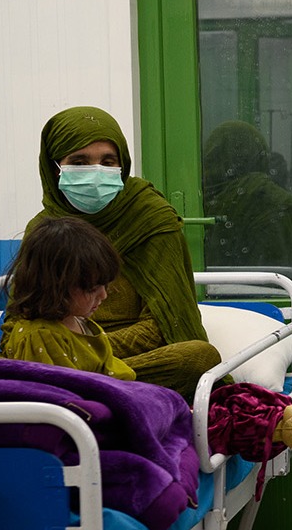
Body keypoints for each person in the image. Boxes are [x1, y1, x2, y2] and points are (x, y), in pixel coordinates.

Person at [28, 106, 221, 392]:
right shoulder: (44, 230)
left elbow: (163, 325)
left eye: (108, 162)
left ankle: (79, 384)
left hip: (127, 360)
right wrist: (53, 348)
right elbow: (21, 319)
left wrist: (85, 350)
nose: (96, 173)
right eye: (79, 162)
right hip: (57, 354)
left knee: (198, 358)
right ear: (54, 168)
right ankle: (86, 384)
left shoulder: (150, 218)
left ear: (123, 165)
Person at [0, 217, 136, 380]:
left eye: (105, 286)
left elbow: (112, 369)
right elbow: (62, 394)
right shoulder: (41, 337)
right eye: (92, 289)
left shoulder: (82, 323)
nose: (103, 295)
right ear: (54, 287)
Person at [203, 121, 292, 273]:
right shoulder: (268, 198)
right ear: (259, 153)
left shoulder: (199, 198)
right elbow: (287, 271)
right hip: (271, 291)